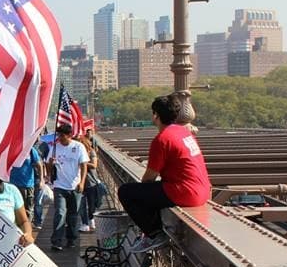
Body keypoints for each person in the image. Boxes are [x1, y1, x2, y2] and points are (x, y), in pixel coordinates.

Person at [118, 95, 211, 253]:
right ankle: (155, 229)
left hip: (185, 192)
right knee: (150, 194)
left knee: (126, 192)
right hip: (203, 191)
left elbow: (149, 178)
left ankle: (154, 234)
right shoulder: (184, 132)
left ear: (155, 115)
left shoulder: (162, 139)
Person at [46, 124, 88, 252]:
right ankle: (56, 241)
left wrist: (82, 183)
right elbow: (48, 167)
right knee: (60, 212)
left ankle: (71, 238)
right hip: (59, 186)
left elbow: (83, 166)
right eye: (58, 135)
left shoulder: (78, 147)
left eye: (62, 135)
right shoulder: (54, 148)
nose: (60, 138)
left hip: (74, 186)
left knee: (73, 215)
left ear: (69, 135)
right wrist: (50, 164)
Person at [8, 142, 44, 224]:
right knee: (14, 208)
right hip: (13, 184)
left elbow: (39, 165)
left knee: (28, 209)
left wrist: (41, 179)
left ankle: (27, 228)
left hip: (27, 184)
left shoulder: (31, 150)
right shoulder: (10, 149)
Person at [77, 135, 103, 232]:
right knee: (82, 204)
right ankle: (84, 223)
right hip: (80, 182)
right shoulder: (77, 153)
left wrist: (83, 162)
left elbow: (94, 165)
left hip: (91, 182)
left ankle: (91, 219)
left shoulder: (91, 152)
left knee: (92, 204)